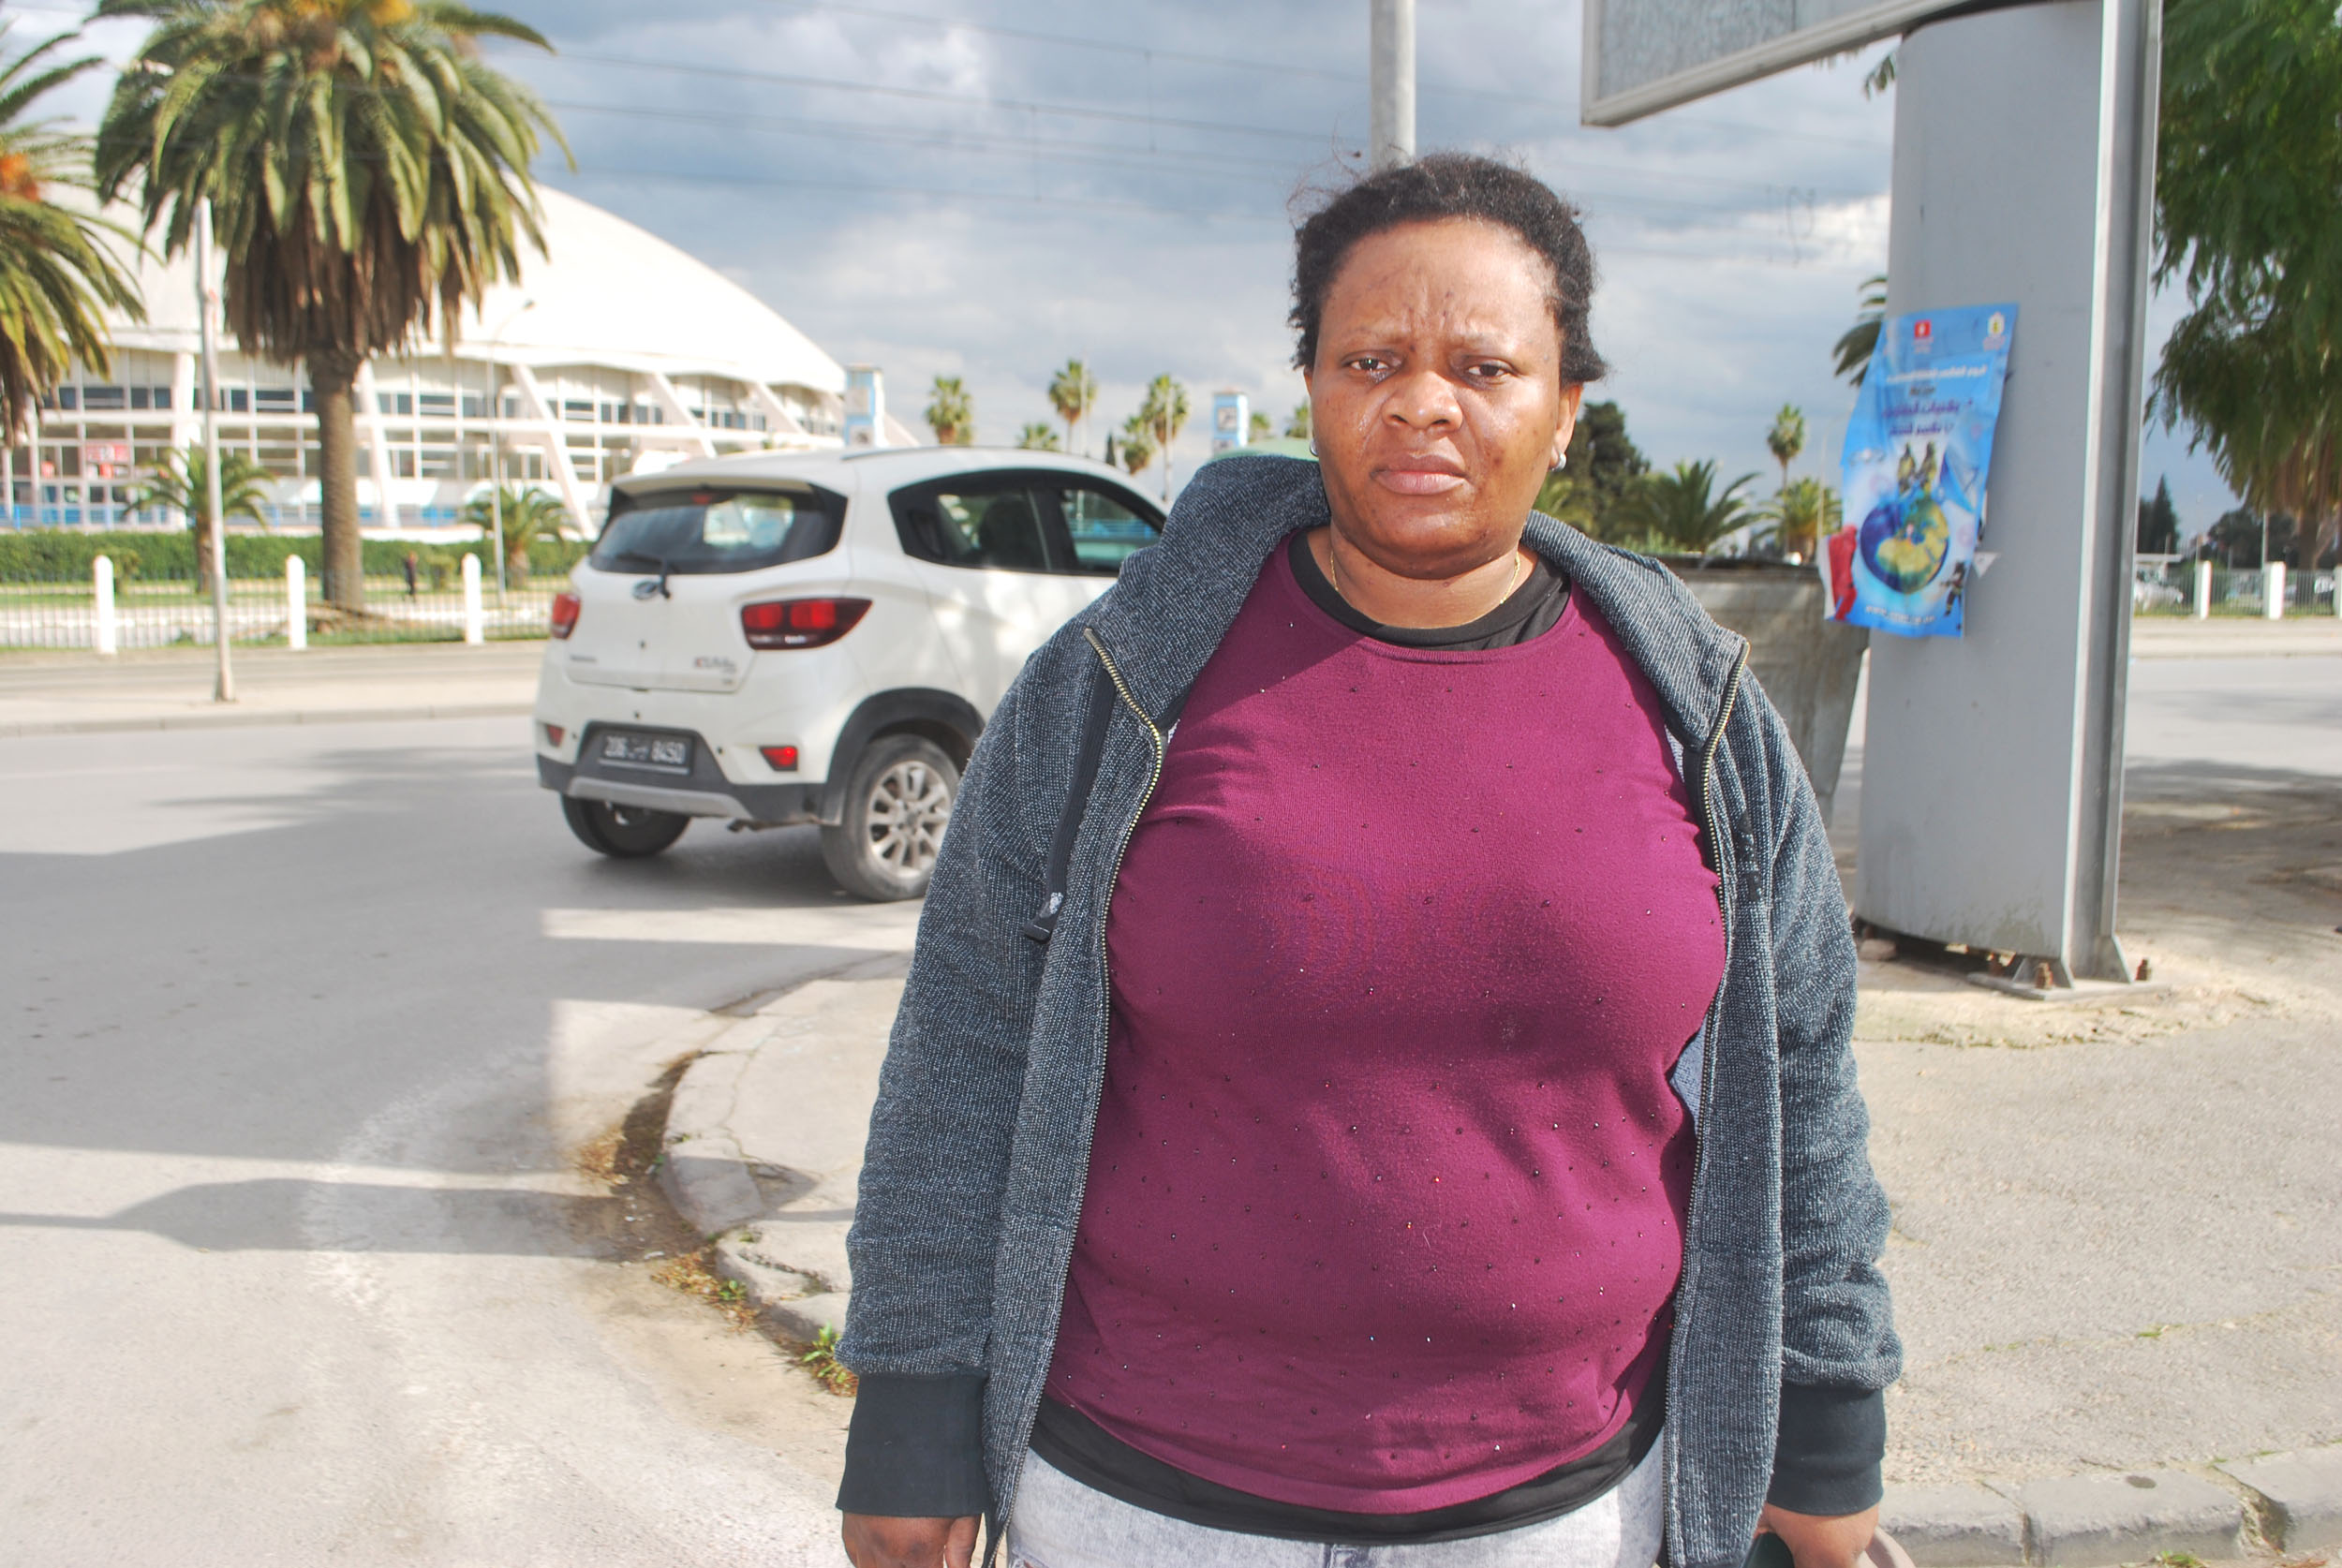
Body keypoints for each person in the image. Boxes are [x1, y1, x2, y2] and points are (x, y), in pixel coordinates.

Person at [837, 153, 1898, 1568]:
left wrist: (1825, 1437)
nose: (1422, 401)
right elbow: (967, 1034)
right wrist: (913, 1415)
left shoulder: (1695, 708)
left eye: (1485, 364)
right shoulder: (1121, 679)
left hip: (1566, 1512)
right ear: (1315, 386)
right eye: (1372, 357)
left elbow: (1803, 1071)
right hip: (1143, 1503)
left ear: (1568, 406)